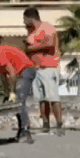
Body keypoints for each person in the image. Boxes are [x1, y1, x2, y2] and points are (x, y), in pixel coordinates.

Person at [22, 7, 64, 136]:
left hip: (49, 67)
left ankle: (59, 124)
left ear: (30, 18)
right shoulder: (31, 32)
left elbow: (50, 45)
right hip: (36, 68)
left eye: (24, 19)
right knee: (42, 99)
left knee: (53, 97)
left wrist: (33, 48)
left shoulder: (47, 28)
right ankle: (45, 124)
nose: (23, 22)